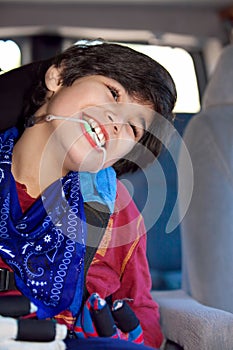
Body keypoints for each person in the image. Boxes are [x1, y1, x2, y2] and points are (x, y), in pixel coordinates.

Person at [0, 40, 177, 349]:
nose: (116, 122)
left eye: (133, 128)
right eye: (113, 92)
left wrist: (129, 339)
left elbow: (142, 312)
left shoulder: (114, 210)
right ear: (58, 77)